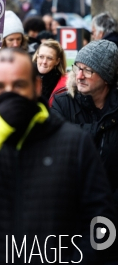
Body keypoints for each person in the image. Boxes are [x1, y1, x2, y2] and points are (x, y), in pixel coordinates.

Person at [0, 48, 117, 263]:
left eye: (18, 85)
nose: (9, 93)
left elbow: (102, 220)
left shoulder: (74, 142)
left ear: (37, 86)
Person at [51, 39, 118, 208]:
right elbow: (57, 143)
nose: (79, 76)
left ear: (106, 77)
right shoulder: (62, 103)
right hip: (71, 206)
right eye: (78, 68)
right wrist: (101, 128)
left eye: (88, 71)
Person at [33, 40, 67, 105]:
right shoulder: (26, 78)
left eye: (49, 58)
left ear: (57, 61)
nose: (44, 62)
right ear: (37, 57)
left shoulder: (65, 86)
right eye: (41, 57)